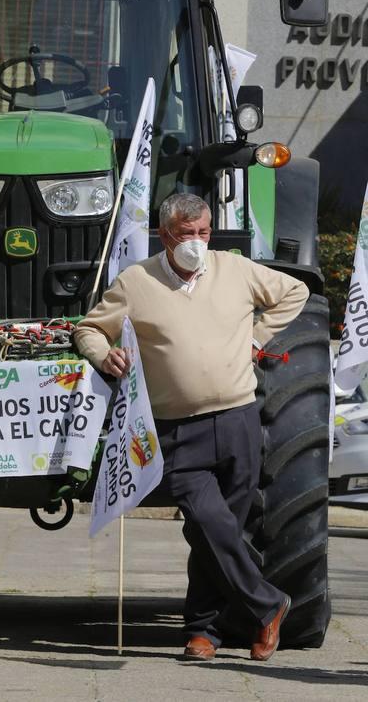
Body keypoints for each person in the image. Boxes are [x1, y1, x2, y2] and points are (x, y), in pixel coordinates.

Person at [74, 193, 309, 662]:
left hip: (238, 417)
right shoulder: (136, 281)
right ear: (165, 236)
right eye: (187, 235)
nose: (197, 243)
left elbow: (295, 292)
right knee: (206, 521)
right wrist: (105, 354)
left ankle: (206, 631)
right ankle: (267, 604)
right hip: (177, 428)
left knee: (223, 531)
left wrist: (257, 338)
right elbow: (88, 329)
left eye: (203, 232)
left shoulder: (235, 269)